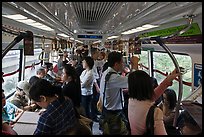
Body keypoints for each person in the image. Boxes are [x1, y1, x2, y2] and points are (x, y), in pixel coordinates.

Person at [128, 70, 179, 135]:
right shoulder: (155, 112)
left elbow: (153, 95)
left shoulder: (131, 100)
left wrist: (168, 79)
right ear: (148, 86)